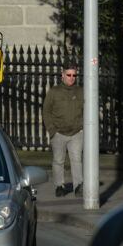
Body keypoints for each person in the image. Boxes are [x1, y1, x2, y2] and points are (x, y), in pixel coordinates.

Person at [42, 61, 84, 197]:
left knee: (76, 159)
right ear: (62, 75)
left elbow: (87, 110)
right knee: (58, 160)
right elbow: (46, 111)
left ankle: (78, 186)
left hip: (76, 133)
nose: (71, 78)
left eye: (74, 75)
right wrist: (51, 130)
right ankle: (59, 185)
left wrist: (82, 127)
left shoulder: (81, 91)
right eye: (69, 75)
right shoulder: (54, 92)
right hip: (58, 133)